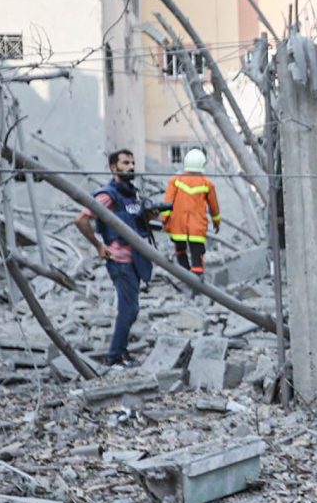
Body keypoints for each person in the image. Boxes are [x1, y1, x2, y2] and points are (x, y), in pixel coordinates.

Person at [74, 148, 158, 366]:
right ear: (114, 168)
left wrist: (148, 216)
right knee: (129, 310)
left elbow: (133, 222)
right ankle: (115, 356)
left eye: (132, 162)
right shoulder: (107, 195)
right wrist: (98, 246)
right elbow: (81, 219)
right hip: (120, 261)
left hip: (135, 259)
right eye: (125, 163)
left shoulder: (130, 194)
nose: (131, 167)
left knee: (131, 309)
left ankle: (120, 352)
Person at [161, 148, 221, 276]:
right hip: (197, 227)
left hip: (178, 225)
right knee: (197, 256)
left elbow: (167, 204)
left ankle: (185, 277)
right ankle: (196, 282)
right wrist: (216, 223)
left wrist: (164, 220)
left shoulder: (175, 181)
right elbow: (214, 207)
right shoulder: (207, 184)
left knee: (180, 251)